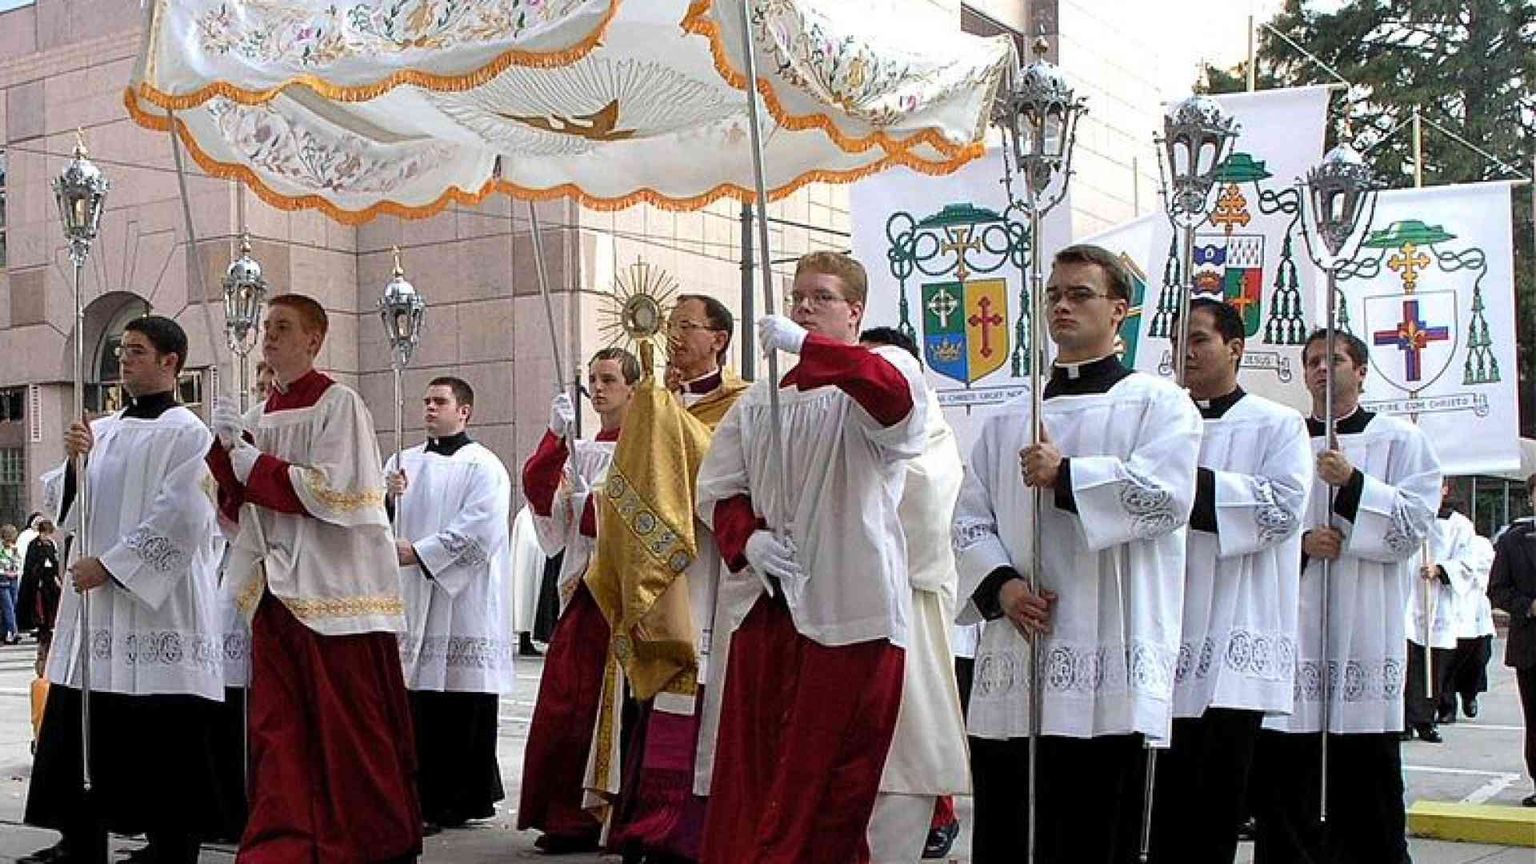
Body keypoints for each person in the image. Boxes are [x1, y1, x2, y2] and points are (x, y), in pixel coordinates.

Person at [952, 244, 1201, 863]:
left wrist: (1066, 476)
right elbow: (967, 520)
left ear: (1119, 309)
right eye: (1054, 295)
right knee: (1011, 829)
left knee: (1093, 832)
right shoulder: (1010, 416)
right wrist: (1002, 587)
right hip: (1019, 646)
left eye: (1080, 294)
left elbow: (1168, 499)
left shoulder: (1157, 403)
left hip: (1108, 647)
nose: (1062, 306)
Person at [695, 251, 929, 863]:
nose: (803, 308)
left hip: (851, 606)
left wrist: (809, 348)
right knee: (757, 773)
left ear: (855, 311)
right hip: (768, 603)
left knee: (830, 780)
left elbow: (894, 404)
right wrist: (748, 539)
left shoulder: (883, 368)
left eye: (821, 298)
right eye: (797, 297)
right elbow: (717, 488)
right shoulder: (759, 400)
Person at [206, 293, 420, 863]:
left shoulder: (338, 403)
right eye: (267, 326)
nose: (269, 336)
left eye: (283, 327)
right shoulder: (257, 417)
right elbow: (236, 508)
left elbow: (337, 491)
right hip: (275, 586)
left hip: (334, 590)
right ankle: (287, 835)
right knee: (279, 725)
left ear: (314, 340)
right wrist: (222, 453)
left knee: (345, 721)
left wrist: (251, 462)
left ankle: (363, 833)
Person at [22, 315, 232, 864]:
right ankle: (79, 839)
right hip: (97, 611)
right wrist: (74, 464)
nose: (123, 360)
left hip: (160, 608)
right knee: (85, 724)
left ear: (170, 361)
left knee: (164, 733)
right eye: (122, 351)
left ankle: (169, 847)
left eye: (137, 351)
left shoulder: (191, 435)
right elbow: (66, 506)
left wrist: (113, 567)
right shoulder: (104, 428)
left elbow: (183, 516)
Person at [1251, 329, 1441, 864]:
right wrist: (1301, 545)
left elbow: (1414, 526)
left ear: (1360, 371)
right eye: (1312, 361)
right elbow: (1255, 520)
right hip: (1295, 622)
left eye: (1333, 359)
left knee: (1367, 774)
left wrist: (1354, 483)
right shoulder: (1283, 437)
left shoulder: (1400, 441)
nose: (1320, 369)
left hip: (1365, 622)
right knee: (1289, 770)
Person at [1144, 298, 1312, 863]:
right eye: (1177, 342)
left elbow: (1282, 509)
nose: (1185, 353)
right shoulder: (1159, 423)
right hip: (1162, 627)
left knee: (1212, 804)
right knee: (1157, 811)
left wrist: (1178, 486)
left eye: (1198, 340)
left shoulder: (1277, 423)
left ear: (1235, 348)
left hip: (1234, 632)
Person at [602, 294, 748, 863]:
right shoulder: (651, 402)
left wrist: (664, 416)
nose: (676, 335)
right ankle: (651, 822)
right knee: (662, 697)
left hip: (712, 565)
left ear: (719, 339)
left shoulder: (744, 402)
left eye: (689, 325)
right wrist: (652, 412)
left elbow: (726, 471)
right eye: (672, 325)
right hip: (659, 573)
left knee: (706, 692)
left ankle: (695, 830)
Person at [858, 326, 970, 864]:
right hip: (836, 614)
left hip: (907, 608)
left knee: (903, 753)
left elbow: (926, 512)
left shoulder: (933, 436)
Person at [518, 348, 638, 853]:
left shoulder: (645, 448)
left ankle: (618, 817)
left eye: (609, 379)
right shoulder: (581, 449)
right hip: (585, 591)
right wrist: (553, 438)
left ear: (633, 388)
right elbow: (540, 492)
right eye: (593, 380)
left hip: (629, 597)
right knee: (566, 703)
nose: (599, 389)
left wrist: (598, 506)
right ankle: (566, 814)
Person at [384, 376, 516, 832]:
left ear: (464, 411)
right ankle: (421, 795)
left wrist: (421, 553)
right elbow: (375, 521)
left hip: (463, 601)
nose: (429, 408)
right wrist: (387, 498)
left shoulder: (485, 466)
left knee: (461, 703)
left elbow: (482, 527)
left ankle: (460, 798)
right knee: (418, 700)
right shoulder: (401, 462)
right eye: (426, 401)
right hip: (413, 596)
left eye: (439, 401)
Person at [1404, 482, 1492, 741]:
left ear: (1445, 489)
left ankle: (1424, 719)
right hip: (1407, 598)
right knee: (1407, 663)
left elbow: (1469, 558)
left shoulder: (1459, 525)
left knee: (1433, 665)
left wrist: (1441, 569)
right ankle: (1403, 721)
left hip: (1437, 599)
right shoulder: (1408, 514)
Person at [1488, 473, 1536, 807]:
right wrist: (1528, 606)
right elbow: (1497, 589)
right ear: (1531, 498)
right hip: (1530, 646)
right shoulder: (1513, 541)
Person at [1441, 509, 1497, 723]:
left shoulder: (1482, 545)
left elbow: (1483, 571)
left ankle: (1470, 693)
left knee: (1478, 659)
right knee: (1448, 662)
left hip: (1475, 611)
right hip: (1450, 608)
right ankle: (1447, 706)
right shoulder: (1440, 541)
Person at [1, 524, 21, 644]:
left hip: (13, 579)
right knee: (8, 606)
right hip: (2, 579)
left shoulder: (14, 549)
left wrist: (15, 571)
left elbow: (18, 561)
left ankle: (4, 632)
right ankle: (13, 631)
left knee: (12, 606)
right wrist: (5, 572)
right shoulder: (1, 549)